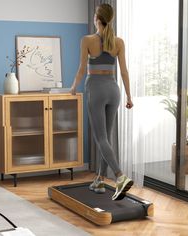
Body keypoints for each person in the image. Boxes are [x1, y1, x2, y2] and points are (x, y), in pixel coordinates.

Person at [70, 3, 133, 201]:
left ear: (97, 18)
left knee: (100, 138)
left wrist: (73, 88)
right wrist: (129, 96)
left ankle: (120, 176)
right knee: (106, 137)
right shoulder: (119, 42)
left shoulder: (87, 40)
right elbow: (123, 71)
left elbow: (82, 69)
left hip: (96, 89)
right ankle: (98, 180)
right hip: (114, 90)